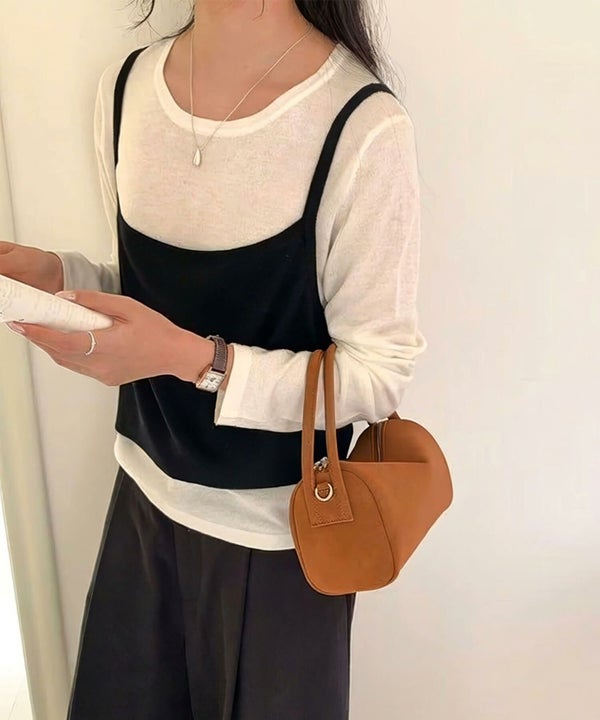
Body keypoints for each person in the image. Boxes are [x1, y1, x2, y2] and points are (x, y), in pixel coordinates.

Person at [1, 0, 427, 717]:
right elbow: (149, 295)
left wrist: (195, 361)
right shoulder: (125, 87)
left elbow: (377, 374)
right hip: (141, 505)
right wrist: (59, 277)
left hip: (283, 538)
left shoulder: (360, 125)